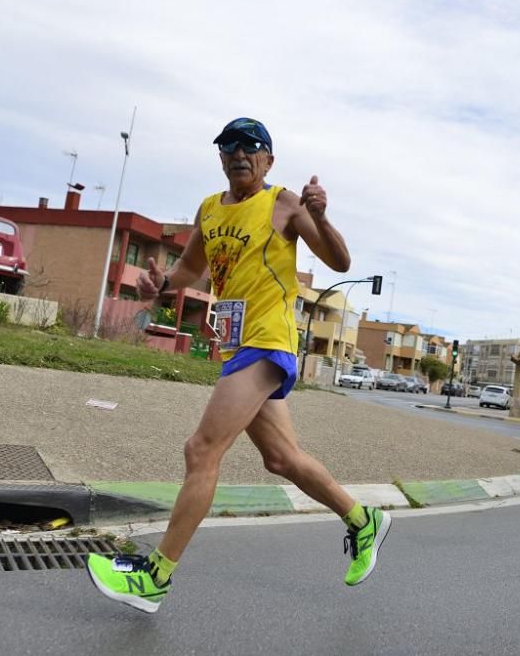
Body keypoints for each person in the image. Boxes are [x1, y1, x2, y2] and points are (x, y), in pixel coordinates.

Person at [86, 118, 392, 613]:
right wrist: (161, 284)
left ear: (269, 160)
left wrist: (323, 216)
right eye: (228, 145)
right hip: (236, 345)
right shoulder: (209, 209)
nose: (238, 152)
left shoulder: (284, 204)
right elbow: (190, 270)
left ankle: (155, 577)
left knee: (201, 448)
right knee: (282, 459)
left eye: (251, 145)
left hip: (268, 342)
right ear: (220, 157)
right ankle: (363, 522)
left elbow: (339, 262)